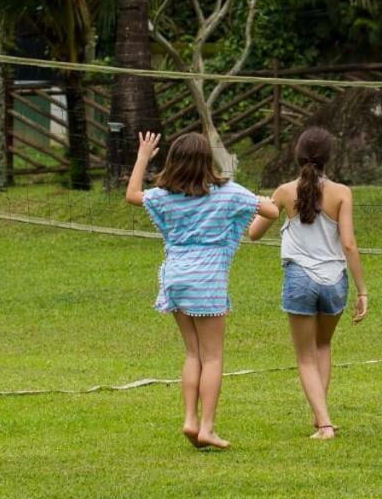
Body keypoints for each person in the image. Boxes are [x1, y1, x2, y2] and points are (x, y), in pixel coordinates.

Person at [126, 131, 278, 450]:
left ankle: (190, 420)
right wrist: (264, 200)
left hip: (175, 276)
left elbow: (133, 194)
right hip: (207, 280)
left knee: (193, 352)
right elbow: (271, 212)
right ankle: (207, 426)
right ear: (207, 161)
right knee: (213, 357)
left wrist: (142, 157)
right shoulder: (228, 193)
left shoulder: (164, 196)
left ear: (173, 162)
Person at [247, 127, 368, 439]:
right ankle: (321, 417)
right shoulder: (342, 193)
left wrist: (257, 203)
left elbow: (254, 232)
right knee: (323, 345)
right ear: (329, 158)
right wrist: (362, 290)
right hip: (334, 281)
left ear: (297, 155)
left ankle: (325, 423)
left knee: (304, 356)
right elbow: (350, 244)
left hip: (300, 277)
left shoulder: (285, 191)